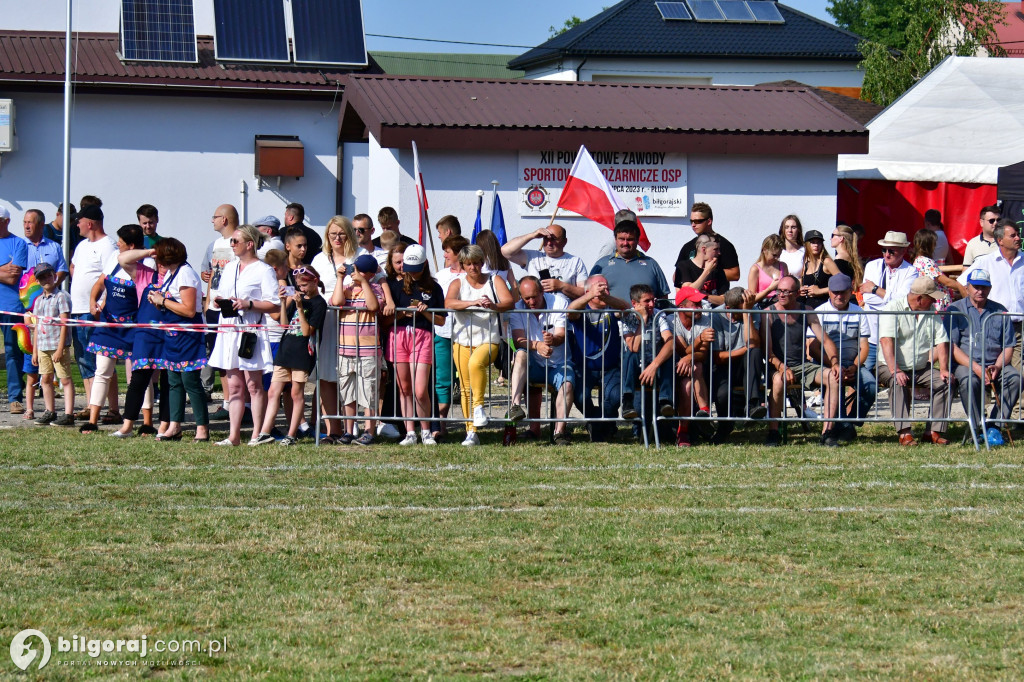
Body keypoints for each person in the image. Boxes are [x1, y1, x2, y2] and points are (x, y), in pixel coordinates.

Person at [116, 239, 209, 442]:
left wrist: (162, 301)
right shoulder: (172, 274)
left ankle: (202, 428)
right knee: (174, 381)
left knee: (190, 381)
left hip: (187, 335)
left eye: (158, 254)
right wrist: (159, 301)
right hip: (172, 335)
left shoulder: (185, 272)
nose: (155, 258)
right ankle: (174, 426)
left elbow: (189, 309)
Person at [208, 225, 280, 446]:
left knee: (254, 385)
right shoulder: (230, 267)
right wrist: (220, 301)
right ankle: (234, 435)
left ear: (249, 244)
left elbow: (274, 304)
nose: (231, 245)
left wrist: (249, 304)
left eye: (235, 241)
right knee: (235, 386)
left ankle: (257, 433)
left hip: (250, 330)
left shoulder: (263, 270)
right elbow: (220, 292)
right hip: (229, 328)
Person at [80, 225, 153, 434]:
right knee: (102, 370)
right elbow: (101, 282)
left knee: (138, 376)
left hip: (134, 327)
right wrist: (93, 300)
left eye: (120, 241)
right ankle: (92, 421)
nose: (117, 244)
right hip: (109, 326)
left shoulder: (147, 264)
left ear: (131, 245)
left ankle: (147, 422)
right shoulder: (114, 256)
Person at [445, 244, 514, 446]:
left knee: (476, 364)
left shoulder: (495, 280)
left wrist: (493, 306)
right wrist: (472, 303)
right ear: (463, 265)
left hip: (488, 338)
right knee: (465, 388)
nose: (473, 267)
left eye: (476, 263)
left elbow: (509, 301)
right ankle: (471, 431)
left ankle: (479, 407)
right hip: (462, 340)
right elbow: (448, 302)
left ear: (482, 263)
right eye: (468, 264)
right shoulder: (457, 283)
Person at [762, 276, 842, 447]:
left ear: (797, 293)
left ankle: (827, 432)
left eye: (786, 291)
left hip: (803, 365)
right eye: (779, 291)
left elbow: (826, 341)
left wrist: (835, 363)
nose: (781, 295)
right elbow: (768, 352)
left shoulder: (807, 310)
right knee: (778, 380)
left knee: (833, 377)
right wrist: (782, 367)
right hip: (776, 365)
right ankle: (773, 432)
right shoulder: (768, 313)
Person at [253, 265, 327, 446]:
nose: (301, 289)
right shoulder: (296, 300)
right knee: (273, 391)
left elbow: (306, 331)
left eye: (304, 285)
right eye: (299, 286)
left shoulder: (319, 303)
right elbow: (284, 325)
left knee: (296, 393)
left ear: (314, 281)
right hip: (286, 349)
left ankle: (292, 434)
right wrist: (284, 302)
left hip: (302, 353)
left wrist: (301, 308)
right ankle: (264, 432)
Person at [948, 269, 1021, 447]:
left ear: (990, 289)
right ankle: (977, 425)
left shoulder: (1000, 311)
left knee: (1015, 378)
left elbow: (1009, 346)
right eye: (976, 287)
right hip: (966, 363)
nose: (980, 291)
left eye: (984, 287)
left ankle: (994, 424)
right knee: (968, 381)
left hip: (994, 363)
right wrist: (976, 367)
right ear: (967, 287)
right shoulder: (955, 310)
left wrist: (997, 366)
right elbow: (952, 347)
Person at [383, 244, 446, 446]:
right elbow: (387, 318)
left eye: (416, 269)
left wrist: (425, 311)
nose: (410, 273)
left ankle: (426, 431)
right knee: (405, 388)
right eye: (408, 269)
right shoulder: (395, 286)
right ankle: (410, 432)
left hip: (423, 336)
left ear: (424, 264)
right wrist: (403, 313)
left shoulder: (434, 288)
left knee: (420, 389)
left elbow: (441, 320)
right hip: (399, 336)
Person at [877, 277, 951, 446]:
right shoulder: (893, 308)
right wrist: (895, 370)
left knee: (945, 382)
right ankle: (904, 433)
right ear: (920, 298)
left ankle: (933, 431)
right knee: (898, 381)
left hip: (920, 367)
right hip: (889, 365)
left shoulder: (931, 310)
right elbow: (886, 341)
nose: (934, 301)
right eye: (931, 298)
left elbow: (942, 341)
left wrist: (945, 369)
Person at [507, 276, 574, 445]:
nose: (531, 301)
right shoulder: (516, 308)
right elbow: (517, 340)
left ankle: (559, 433)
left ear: (542, 292)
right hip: (533, 362)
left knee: (567, 385)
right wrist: (537, 345)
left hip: (559, 362)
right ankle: (515, 407)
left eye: (534, 296)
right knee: (520, 354)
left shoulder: (558, 303)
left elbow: (561, 334)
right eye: (526, 298)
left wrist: (553, 340)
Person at [808, 273, 874, 440]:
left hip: (853, 364)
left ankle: (849, 421)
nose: (839, 296)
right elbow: (812, 347)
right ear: (829, 292)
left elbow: (864, 346)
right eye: (835, 292)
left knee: (871, 387)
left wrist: (854, 366)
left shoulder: (859, 312)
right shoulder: (819, 312)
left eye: (843, 292)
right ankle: (843, 426)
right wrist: (834, 365)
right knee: (835, 381)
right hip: (826, 364)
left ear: (851, 291)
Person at [69, 204, 119, 421]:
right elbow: (73, 268)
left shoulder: (108, 246)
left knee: (103, 360)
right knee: (84, 360)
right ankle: (92, 405)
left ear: (89, 223)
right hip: (77, 310)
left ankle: (114, 408)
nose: (77, 224)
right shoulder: (81, 245)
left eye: (79, 221)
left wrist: (101, 304)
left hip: (95, 312)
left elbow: (111, 279)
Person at [311, 216, 358, 441]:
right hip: (327, 320)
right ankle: (332, 430)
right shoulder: (320, 259)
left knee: (351, 374)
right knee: (327, 376)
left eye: (341, 233)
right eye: (333, 234)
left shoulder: (358, 257)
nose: (337, 238)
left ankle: (352, 428)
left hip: (352, 320)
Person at [567, 274, 629, 442]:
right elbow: (570, 311)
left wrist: (606, 297)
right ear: (588, 291)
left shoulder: (611, 309)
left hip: (610, 368)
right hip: (584, 368)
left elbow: (625, 308)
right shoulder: (582, 311)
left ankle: (604, 425)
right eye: (599, 288)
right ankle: (598, 422)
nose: (603, 291)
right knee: (579, 397)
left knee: (615, 397)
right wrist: (589, 295)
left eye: (606, 287)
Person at [959, 219, 1024, 377]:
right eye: (1013, 235)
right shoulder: (985, 261)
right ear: (1000, 240)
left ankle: (1014, 403)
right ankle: (989, 402)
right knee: (989, 371)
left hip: (1020, 325)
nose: (1018, 238)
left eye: (1018, 235)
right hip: (993, 325)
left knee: (1017, 374)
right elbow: (962, 283)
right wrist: (975, 308)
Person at [333, 254, 387, 445]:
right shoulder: (346, 288)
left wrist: (364, 282)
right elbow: (337, 301)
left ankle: (369, 430)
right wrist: (340, 278)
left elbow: (373, 306)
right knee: (347, 391)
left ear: (369, 274)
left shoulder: (376, 288)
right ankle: (348, 431)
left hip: (368, 350)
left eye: (359, 271)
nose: (354, 273)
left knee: (368, 392)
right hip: (345, 350)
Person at [708, 287, 766, 443]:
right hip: (723, 366)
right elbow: (718, 357)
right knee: (722, 393)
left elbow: (754, 344)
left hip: (746, 365)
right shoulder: (716, 316)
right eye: (741, 311)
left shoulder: (751, 310)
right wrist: (745, 349)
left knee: (754, 353)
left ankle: (752, 405)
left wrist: (747, 314)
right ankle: (724, 427)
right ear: (728, 309)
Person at [661, 287, 715, 447]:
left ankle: (684, 430)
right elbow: (682, 350)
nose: (700, 307)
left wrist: (689, 357)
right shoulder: (671, 321)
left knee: (691, 376)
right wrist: (698, 341)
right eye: (695, 304)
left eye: (700, 303)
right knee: (694, 368)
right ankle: (703, 413)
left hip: (694, 369)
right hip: (671, 369)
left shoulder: (705, 319)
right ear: (681, 307)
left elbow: (702, 354)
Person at [200, 203, 240, 414]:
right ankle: (227, 402)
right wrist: (207, 303)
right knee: (221, 356)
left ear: (224, 219)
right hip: (214, 306)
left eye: (215, 217)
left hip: (233, 306)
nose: (212, 220)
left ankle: (239, 401)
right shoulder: (213, 245)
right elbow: (208, 272)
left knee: (234, 356)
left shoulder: (241, 240)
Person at [859, 230, 919, 370]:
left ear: (903, 251)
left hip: (896, 339)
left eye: (891, 251)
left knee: (897, 378)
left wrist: (875, 289)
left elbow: (904, 300)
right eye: (884, 250)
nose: (886, 254)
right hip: (872, 338)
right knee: (863, 379)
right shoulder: (872, 266)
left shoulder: (911, 271)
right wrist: (890, 299)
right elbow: (868, 298)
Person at [620, 283, 675, 427]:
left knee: (669, 356)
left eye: (653, 300)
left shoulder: (658, 314)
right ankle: (627, 401)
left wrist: (655, 365)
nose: (651, 304)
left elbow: (670, 342)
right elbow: (634, 346)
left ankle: (665, 401)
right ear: (635, 303)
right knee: (629, 355)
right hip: (635, 367)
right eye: (647, 301)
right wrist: (642, 320)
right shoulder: (627, 317)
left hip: (655, 366)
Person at [433, 235, 469, 439]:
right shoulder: (440, 275)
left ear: (458, 253)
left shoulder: (472, 275)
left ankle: (469, 425)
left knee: (466, 380)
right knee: (443, 379)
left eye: (447, 251)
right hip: (444, 333)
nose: (444, 254)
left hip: (466, 334)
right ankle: (441, 423)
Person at [30, 263, 75, 427]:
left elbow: (64, 324)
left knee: (65, 379)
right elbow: (37, 327)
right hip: (42, 345)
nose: (46, 280)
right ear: (38, 281)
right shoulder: (38, 301)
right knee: (46, 379)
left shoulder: (61, 297)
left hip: (57, 345)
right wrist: (35, 351)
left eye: (48, 275)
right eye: (41, 277)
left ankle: (69, 413)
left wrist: (61, 348)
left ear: (54, 276)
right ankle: (50, 411)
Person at [590, 220, 670, 304]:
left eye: (630, 239)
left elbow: (663, 297)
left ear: (637, 240)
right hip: (612, 317)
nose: (625, 243)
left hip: (645, 317)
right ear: (615, 239)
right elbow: (589, 295)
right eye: (621, 239)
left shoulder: (651, 264)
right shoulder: (602, 264)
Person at [501, 224, 589, 300]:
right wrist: (532, 235)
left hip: (565, 315)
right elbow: (505, 251)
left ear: (564, 241)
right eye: (546, 239)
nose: (549, 243)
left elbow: (585, 293)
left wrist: (562, 286)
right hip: (538, 316)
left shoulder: (575, 261)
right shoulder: (533, 257)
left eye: (554, 239)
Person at [0, 207, 27, 416]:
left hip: (11, 306)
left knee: (12, 352)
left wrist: (6, 272)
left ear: (6, 221)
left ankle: (15, 398)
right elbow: (6, 274)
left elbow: (12, 278)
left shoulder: (18, 244)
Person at [676, 202, 741, 282]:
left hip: (716, 293)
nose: (693, 225)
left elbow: (735, 274)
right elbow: (676, 275)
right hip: (694, 293)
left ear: (709, 221)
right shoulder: (687, 247)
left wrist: (709, 271)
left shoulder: (724, 244)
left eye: (697, 221)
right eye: (691, 221)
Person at [911, 228, 966, 311]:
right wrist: (963, 287)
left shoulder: (917, 261)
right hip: (938, 305)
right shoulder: (927, 262)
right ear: (929, 245)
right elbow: (946, 282)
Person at [674, 233, 727, 305]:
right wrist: (707, 271)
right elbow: (688, 293)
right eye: (716, 249)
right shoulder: (684, 266)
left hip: (714, 314)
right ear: (704, 249)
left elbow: (724, 300)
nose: (719, 253)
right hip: (692, 314)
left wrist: (702, 295)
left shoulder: (718, 270)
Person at [23, 208, 68, 287]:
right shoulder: (18, 246)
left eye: (30, 223)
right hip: (25, 297)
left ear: (41, 225)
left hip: (49, 297)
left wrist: (48, 288)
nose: (26, 226)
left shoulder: (54, 246)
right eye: (25, 222)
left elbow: (62, 271)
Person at [798, 230, 838, 309]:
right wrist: (800, 290)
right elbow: (801, 281)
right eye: (812, 242)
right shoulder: (806, 263)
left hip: (823, 308)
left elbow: (843, 283)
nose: (816, 245)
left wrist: (820, 291)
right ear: (806, 245)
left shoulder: (826, 262)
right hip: (807, 308)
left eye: (819, 242)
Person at [747, 234, 789, 308]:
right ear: (764, 250)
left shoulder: (783, 266)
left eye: (779, 255)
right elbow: (752, 299)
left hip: (781, 307)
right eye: (774, 255)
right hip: (763, 307)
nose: (777, 258)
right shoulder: (755, 269)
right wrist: (770, 289)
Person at [961, 205, 1001, 272]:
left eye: (998, 220)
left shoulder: (1007, 241)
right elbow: (966, 271)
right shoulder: (972, 244)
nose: (996, 223)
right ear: (981, 222)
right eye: (992, 220)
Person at [830, 224, 864, 288]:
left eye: (833, 235)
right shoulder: (851, 256)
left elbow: (838, 284)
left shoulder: (840, 258)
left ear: (841, 238)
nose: (830, 238)